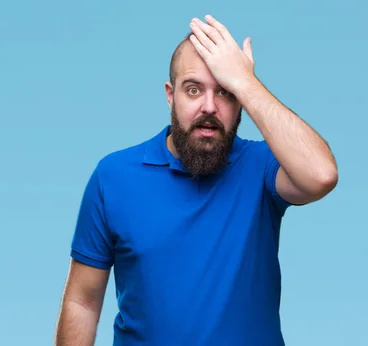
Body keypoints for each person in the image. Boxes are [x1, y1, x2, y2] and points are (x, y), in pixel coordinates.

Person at [53, 15, 339, 346]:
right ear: (170, 95)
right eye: (193, 89)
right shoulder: (113, 176)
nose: (209, 106)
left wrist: (245, 82)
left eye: (224, 92)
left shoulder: (262, 167)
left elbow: (321, 175)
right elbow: (82, 302)